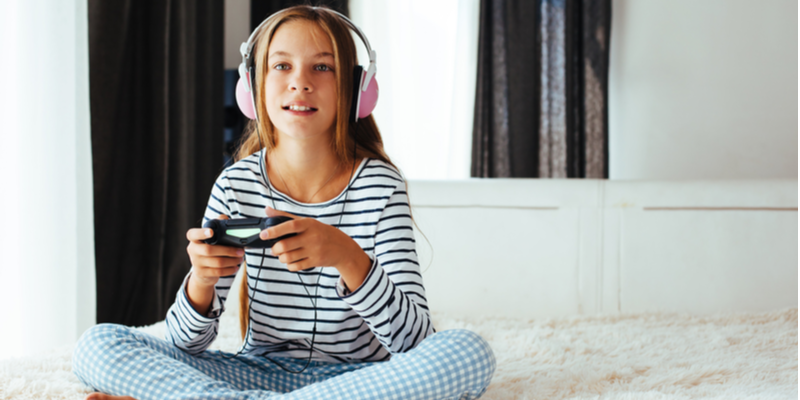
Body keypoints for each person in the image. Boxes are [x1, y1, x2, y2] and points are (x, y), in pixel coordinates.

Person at [72, 5, 495, 400]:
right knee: (98, 343)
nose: (300, 81)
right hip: (256, 370)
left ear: (357, 87)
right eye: (281, 65)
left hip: (361, 379)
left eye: (323, 66)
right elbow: (186, 343)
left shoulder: (380, 186)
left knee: (467, 352)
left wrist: (347, 257)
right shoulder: (236, 184)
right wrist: (200, 282)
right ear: (252, 86)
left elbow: (415, 343)